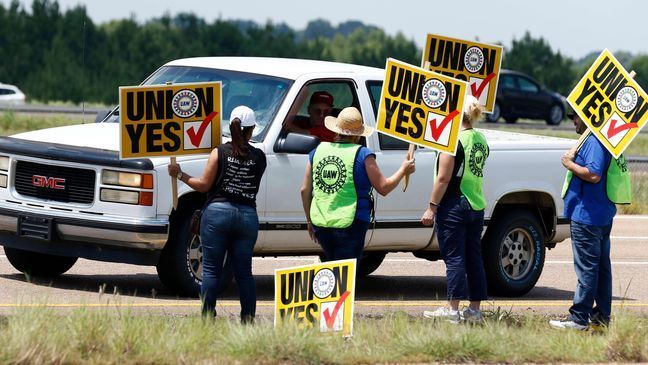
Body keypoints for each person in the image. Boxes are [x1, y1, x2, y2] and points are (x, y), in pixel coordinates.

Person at [168, 105, 267, 323]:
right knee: (244, 272)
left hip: (217, 214)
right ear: (251, 130)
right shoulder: (260, 157)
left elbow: (203, 186)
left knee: (211, 270)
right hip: (247, 217)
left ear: (230, 128)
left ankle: (207, 317)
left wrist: (180, 174)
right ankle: (248, 319)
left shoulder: (219, 152)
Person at [549, 112, 631, 331]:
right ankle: (602, 317)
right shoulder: (601, 138)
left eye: (575, 117)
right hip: (600, 214)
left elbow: (593, 174)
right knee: (601, 268)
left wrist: (568, 163)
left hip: (587, 216)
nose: (573, 121)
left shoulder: (594, 140)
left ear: (587, 118)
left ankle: (579, 318)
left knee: (587, 269)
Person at [300, 106, 415, 262]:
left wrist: (309, 221)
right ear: (358, 135)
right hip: (351, 224)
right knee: (345, 276)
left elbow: (304, 190)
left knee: (331, 270)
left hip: (321, 223)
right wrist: (403, 169)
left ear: (336, 130)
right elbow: (383, 187)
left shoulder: (318, 151)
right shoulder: (363, 154)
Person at [420, 95, 489, 324]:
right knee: (473, 257)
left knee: (455, 258)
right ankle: (475, 310)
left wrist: (431, 207)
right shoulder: (480, 138)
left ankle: (452, 310)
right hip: (476, 204)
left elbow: (443, 178)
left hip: (455, 205)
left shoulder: (453, 141)